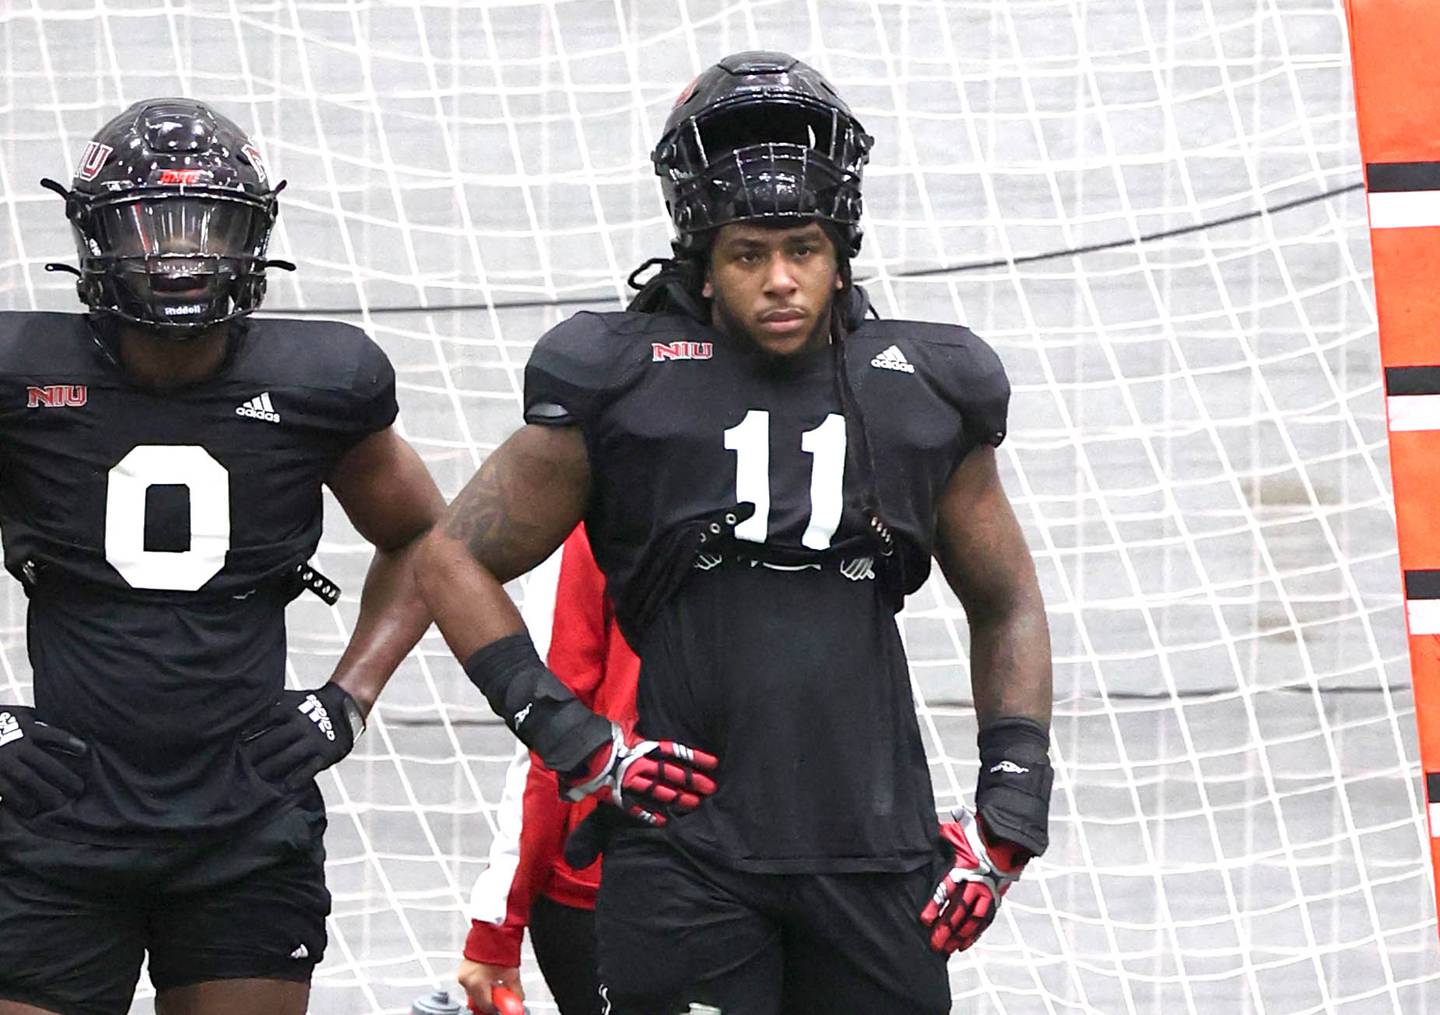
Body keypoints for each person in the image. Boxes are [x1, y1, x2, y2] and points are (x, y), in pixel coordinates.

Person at [418, 51, 1053, 1014]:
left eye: (802, 248)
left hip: (877, 851)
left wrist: (1010, 809)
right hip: (684, 856)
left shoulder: (926, 386)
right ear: (704, 269)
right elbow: (451, 554)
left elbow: (1005, 599)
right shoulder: (624, 380)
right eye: (748, 254)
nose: (781, 280)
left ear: (841, 252)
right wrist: (571, 738)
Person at [0, 98, 443, 1015]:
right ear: (94, 236)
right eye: (151, 228)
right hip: (56, 819)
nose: (179, 255)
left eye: (207, 226)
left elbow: (425, 539)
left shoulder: (325, 382)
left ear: (255, 235)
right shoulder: (20, 375)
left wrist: (349, 699)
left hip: (245, 822)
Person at [459, 524, 637, 1015]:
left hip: (620, 881)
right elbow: (551, 736)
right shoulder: (595, 526)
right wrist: (498, 923)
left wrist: (495, 929)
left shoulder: (602, 518)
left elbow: (550, 743)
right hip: (612, 884)